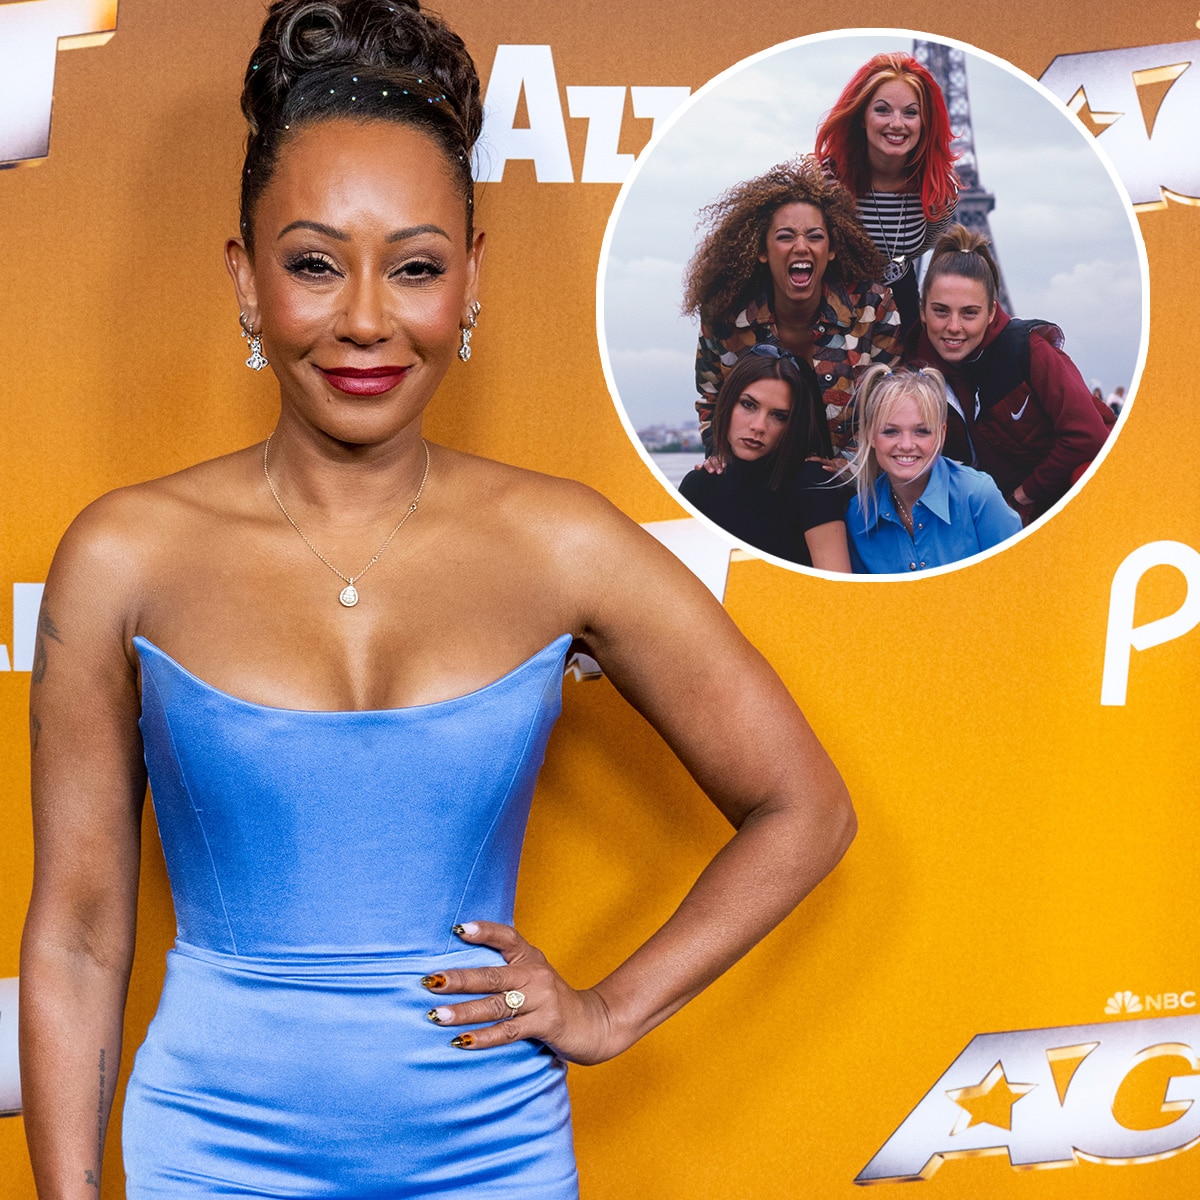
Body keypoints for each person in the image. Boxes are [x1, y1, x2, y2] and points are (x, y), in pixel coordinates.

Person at [18, 2, 856, 1198]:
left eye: (415, 267)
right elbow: (78, 933)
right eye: (314, 264)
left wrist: (609, 1009)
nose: (366, 318)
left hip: (491, 1154)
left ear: (472, 280)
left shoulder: (562, 543)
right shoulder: (123, 557)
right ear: (245, 281)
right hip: (209, 1155)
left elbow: (803, 809)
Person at [683, 155, 901, 459]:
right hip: (758, 471)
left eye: (815, 237)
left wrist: (847, 466)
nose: (801, 246)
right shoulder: (724, 315)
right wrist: (721, 460)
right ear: (762, 250)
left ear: (832, 249)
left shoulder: (873, 307)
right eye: (786, 237)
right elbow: (712, 400)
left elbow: (892, 402)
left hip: (849, 476)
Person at [906, 225, 1113, 523]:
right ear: (922, 310)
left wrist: (1020, 497)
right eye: (940, 311)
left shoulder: (1028, 349)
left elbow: (1089, 436)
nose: (953, 326)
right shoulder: (913, 373)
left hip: (1063, 499)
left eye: (969, 313)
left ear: (991, 312)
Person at [816, 52, 959, 336]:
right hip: (836, 316)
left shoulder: (939, 192)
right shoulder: (827, 183)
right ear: (862, 117)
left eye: (910, 113)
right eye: (882, 110)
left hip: (902, 310)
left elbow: (920, 246)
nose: (897, 123)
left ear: (925, 122)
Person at [679, 346, 851, 571]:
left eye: (779, 416)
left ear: (792, 424)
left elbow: (836, 584)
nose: (759, 426)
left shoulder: (812, 484)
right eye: (748, 405)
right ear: (727, 403)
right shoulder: (698, 486)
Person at [844, 364, 1022, 572]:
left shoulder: (977, 496)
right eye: (891, 431)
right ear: (870, 435)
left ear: (942, 434)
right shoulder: (859, 514)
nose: (906, 445)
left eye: (922, 431)